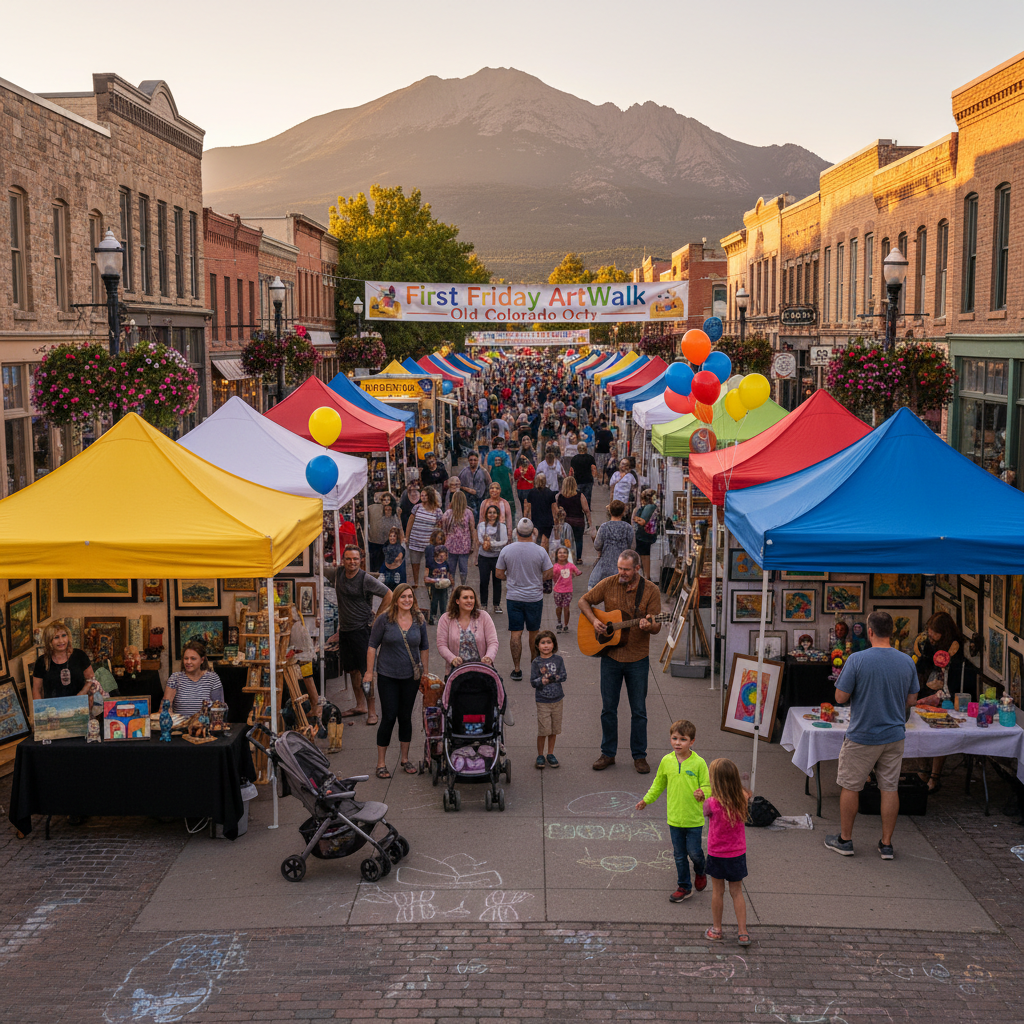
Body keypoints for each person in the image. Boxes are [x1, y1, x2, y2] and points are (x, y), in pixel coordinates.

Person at [824, 610, 920, 860]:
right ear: (892, 632)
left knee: (850, 786)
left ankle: (845, 840)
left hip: (863, 734)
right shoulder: (907, 661)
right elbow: (912, 699)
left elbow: (840, 697)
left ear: (869, 632)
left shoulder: (857, 660)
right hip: (894, 734)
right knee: (889, 788)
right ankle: (886, 844)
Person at [579, 550, 662, 774]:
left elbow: (657, 625)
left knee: (639, 711)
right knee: (608, 709)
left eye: (626, 569)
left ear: (637, 568)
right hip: (611, 657)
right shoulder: (609, 583)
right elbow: (583, 601)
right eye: (619, 568)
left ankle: (639, 756)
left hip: (638, 659)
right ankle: (608, 753)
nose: (621, 573)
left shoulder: (651, 590)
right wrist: (594, 620)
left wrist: (649, 626)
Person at [635, 718, 709, 903]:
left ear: (692, 742)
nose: (678, 743)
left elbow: (708, 785)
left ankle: (700, 870)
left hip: (693, 819)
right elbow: (658, 783)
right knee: (679, 855)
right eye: (675, 738)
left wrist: (703, 793)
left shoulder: (699, 763)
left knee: (695, 853)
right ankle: (684, 886)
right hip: (674, 818)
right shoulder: (666, 761)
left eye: (683, 739)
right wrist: (646, 800)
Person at [365, 583, 429, 778]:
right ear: (396, 599)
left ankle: (405, 759)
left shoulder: (419, 620)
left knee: (405, 717)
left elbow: (424, 647)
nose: (407, 600)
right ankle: (381, 763)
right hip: (388, 676)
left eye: (410, 596)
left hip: (411, 677)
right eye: (403, 596)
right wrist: (369, 672)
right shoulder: (384, 619)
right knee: (389, 716)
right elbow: (372, 646)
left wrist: (425, 673)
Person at [325, 543, 393, 724]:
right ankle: (360, 705)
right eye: (348, 559)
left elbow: (389, 594)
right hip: (345, 631)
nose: (352, 562)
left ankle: (372, 711)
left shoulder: (365, 579)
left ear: (361, 560)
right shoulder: (338, 573)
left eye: (355, 559)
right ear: (343, 560)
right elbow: (318, 569)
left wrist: (377, 618)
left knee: (366, 672)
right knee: (352, 671)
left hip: (363, 631)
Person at [912, 611, 968, 793]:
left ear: (944, 632)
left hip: (946, 697)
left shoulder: (955, 650)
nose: (931, 636)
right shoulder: (928, 643)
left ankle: (934, 777)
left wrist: (939, 695)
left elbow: (953, 681)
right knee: (919, 732)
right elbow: (921, 667)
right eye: (929, 632)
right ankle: (923, 771)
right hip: (927, 691)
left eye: (934, 633)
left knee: (940, 736)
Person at [495, 518, 553, 681]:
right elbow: (549, 572)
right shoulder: (540, 551)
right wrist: (537, 579)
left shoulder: (507, 550)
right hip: (534, 598)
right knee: (534, 632)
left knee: (516, 633)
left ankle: (517, 669)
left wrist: (511, 578)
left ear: (516, 532)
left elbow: (499, 573)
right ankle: (534, 668)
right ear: (533, 532)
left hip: (514, 597)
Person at [703, 758, 752, 946]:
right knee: (737, 892)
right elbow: (746, 793)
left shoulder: (711, 803)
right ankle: (743, 932)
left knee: (718, 891)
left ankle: (717, 929)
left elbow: (705, 812)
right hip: (737, 853)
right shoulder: (742, 798)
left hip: (717, 853)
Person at [435, 585, 499, 676]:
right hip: (456, 672)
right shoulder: (445, 619)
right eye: (465, 598)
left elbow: (493, 642)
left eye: (472, 598)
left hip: (483, 671)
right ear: (457, 601)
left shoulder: (484, 616)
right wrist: (452, 659)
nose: (469, 601)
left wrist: (489, 657)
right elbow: (441, 645)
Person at [32, 620, 97, 701]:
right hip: (53, 707)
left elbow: (91, 679)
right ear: (49, 641)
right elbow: (36, 690)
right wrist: (41, 707)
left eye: (64, 635)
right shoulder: (41, 662)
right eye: (56, 637)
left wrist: (81, 694)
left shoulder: (80, 655)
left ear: (68, 637)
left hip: (79, 704)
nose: (61, 641)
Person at [531, 629, 566, 769]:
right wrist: (542, 680)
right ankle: (540, 755)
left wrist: (552, 677)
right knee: (543, 730)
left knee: (553, 730)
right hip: (542, 701)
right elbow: (533, 682)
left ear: (554, 644)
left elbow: (563, 675)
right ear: (537, 645)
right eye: (543, 643)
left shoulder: (558, 660)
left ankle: (550, 753)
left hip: (557, 700)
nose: (546, 645)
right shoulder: (536, 662)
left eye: (549, 642)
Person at [165, 640, 226, 715]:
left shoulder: (212, 678)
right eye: (186, 658)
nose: (188, 662)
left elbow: (220, 709)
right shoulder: (175, 678)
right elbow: (165, 708)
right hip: (181, 722)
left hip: (205, 722)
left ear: (202, 660)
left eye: (193, 658)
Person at [588, 500, 636, 588]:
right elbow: (632, 547)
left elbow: (597, 545)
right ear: (623, 512)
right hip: (623, 566)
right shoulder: (628, 528)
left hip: (605, 566)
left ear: (610, 511)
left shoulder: (604, 527)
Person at [404, 485, 442, 588]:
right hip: (415, 540)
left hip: (428, 543)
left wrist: (437, 541)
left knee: (429, 563)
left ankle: (427, 581)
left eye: (425, 495)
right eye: (422, 495)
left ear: (430, 496)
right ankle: (416, 581)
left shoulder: (437, 511)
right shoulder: (417, 508)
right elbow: (410, 522)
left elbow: (439, 527)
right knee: (415, 562)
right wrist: (407, 536)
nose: (423, 497)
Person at [477, 503, 508, 615]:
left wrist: (491, 544)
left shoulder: (502, 527)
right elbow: (480, 539)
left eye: (494, 513)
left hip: (497, 557)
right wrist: (487, 544)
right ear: (486, 514)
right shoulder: (481, 526)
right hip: (483, 557)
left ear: (497, 514)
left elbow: (504, 541)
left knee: (497, 581)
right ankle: (483, 604)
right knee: (484, 581)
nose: (492, 515)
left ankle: (496, 604)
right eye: (490, 512)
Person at [441, 489, 477, 586]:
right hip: (462, 544)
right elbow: (472, 529)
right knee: (462, 568)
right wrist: (473, 544)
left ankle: (454, 586)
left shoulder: (448, 513)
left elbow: (444, 530)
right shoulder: (467, 513)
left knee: (453, 568)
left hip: (453, 544)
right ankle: (460, 585)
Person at [557, 476, 591, 563]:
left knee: (567, 539)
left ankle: (568, 556)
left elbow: (558, 510)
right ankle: (578, 558)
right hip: (578, 521)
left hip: (566, 522)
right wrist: (589, 522)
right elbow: (586, 510)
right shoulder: (580, 495)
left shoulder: (560, 497)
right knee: (578, 539)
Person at [366, 492, 402, 573]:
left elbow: (399, 524)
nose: (386, 501)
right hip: (379, 540)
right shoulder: (372, 508)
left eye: (388, 499)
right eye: (384, 499)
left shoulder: (395, 509)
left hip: (383, 540)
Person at [551, 545, 582, 633]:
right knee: (559, 607)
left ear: (568, 555)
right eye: (560, 553)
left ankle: (565, 624)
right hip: (557, 590)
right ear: (557, 555)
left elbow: (577, 571)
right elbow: (552, 575)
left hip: (568, 590)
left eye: (564, 552)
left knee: (566, 607)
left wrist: (577, 573)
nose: (562, 554)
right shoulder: (555, 566)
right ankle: (559, 621)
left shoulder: (571, 566)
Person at [632, 488, 660, 579]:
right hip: (644, 534)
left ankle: (646, 577)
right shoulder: (652, 507)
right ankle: (645, 576)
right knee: (644, 555)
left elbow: (642, 521)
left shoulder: (649, 507)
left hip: (643, 535)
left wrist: (636, 518)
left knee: (644, 555)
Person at [523, 477, 557, 552]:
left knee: (536, 540)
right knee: (545, 541)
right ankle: (544, 555)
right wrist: (556, 520)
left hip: (536, 520)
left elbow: (527, 508)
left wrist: (525, 518)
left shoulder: (532, 493)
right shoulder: (550, 492)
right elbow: (554, 509)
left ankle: (536, 555)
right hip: (548, 521)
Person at [425, 545, 454, 624]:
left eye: (444, 555)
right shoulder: (431, 564)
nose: (442, 557)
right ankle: (432, 617)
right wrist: (435, 580)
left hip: (444, 587)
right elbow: (426, 578)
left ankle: (443, 618)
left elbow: (449, 575)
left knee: (443, 603)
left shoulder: (446, 564)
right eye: (441, 555)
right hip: (434, 587)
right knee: (434, 603)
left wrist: (451, 584)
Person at [570, 441, 597, 508]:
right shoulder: (590, 458)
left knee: (578, 497)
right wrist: (594, 478)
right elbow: (593, 469)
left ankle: (578, 509)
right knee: (587, 497)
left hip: (577, 481)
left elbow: (571, 471)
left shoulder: (574, 459)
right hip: (588, 480)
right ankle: (587, 509)